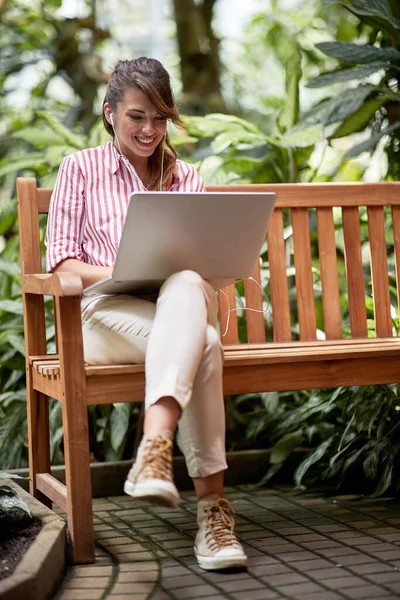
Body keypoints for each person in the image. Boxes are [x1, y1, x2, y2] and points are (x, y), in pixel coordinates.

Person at [45, 57, 247, 571]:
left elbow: (202, 265)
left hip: (170, 308)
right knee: (205, 342)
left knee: (185, 283)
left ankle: (155, 446)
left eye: (159, 118)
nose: (150, 130)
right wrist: (121, 264)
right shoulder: (80, 168)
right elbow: (63, 261)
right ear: (111, 113)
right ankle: (213, 516)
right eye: (137, 116)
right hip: (101, 316)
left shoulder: (186, 177)